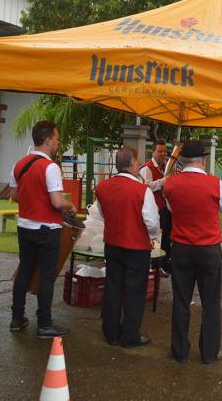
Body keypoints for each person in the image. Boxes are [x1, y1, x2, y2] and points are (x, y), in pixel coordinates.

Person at [164, 140, 222, 364]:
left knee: (181, 300)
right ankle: (209, 352)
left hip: (181, 248)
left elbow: (170, 208)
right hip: (208, 249)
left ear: (183, 162)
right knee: (211, 302)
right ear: (203, 161)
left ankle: (179, 351)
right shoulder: (214, 183)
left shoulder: (171, 184)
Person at [9, 120, 76, 338]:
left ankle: (17, 318)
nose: (58, 143)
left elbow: (14, 195)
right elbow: (57, 202)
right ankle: (45, 324)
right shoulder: (50, 167)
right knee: (46, 276)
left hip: (24, 227)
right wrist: (70, 205)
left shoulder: (19, 164)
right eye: (56, 139)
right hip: (47, 229)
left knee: (25, 271)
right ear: (47, 141)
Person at [95, 147, 160, 347]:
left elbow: (103, 213)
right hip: (136, 246)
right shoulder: (142, 190)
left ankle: (111, 332)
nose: (139, 165)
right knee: (134, 290)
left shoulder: (102, 187)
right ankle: (130, 334)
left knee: (113, 287)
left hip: (113, 243)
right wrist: (153, 236)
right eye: (138, 162)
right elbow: (151, 222)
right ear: (132, 164)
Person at [139, 140, 171, 275]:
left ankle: (165, 263)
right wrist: (162, 182)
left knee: (166, 237)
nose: (163, 154)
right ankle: (157, 266)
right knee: (158, 238)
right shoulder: (147, 168)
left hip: (165, 208)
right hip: (155, 209)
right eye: (160, 151)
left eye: (164, 151)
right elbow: (146, 187)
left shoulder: (165, 166)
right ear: (153, 152)